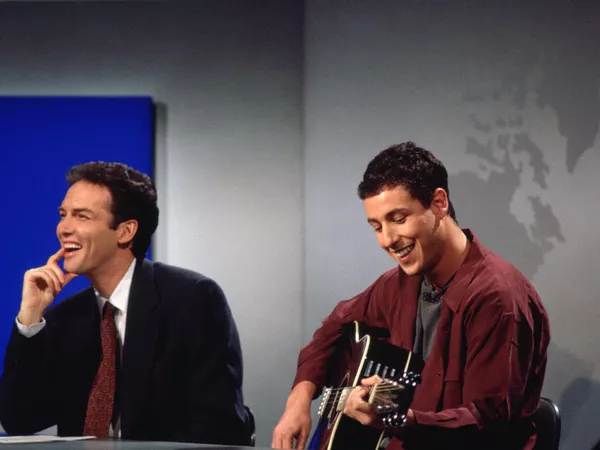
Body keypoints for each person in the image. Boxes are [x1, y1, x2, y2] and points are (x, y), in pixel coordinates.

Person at [272, 142, 550, 450]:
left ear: (439, 203)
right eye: (376, 227)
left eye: (399, 218)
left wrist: (396, 418)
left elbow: (485, 423)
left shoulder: (498, 299)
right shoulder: (399, 284)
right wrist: (298, 402)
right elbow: (335, 325)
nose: (387, 240)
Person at [0, 162, 252, 445]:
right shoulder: (65, 318)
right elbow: (19, 419)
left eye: (82, 216)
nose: (64, 228)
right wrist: (30, 319)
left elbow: (219, 426)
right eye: (63, 215)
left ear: (125, 231)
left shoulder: (192, 300)